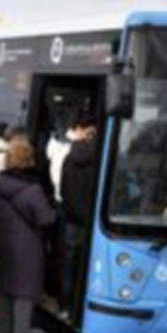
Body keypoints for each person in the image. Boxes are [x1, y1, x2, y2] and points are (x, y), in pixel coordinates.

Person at [0, 141, 55, 333]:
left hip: (5, 241)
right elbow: (46, 219)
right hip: (29, 246)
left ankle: (2, 329)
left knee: (6, 286)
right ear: (29, 161)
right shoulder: (32, 190)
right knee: (25, 292)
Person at [60, 114, 98, 311]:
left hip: (71, 219)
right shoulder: (98, 161)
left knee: (69, 265)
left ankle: (65, 306)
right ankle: (79, 305)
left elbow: (63, 189)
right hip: (89, 221)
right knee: (86, 264)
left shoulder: (68, 157)